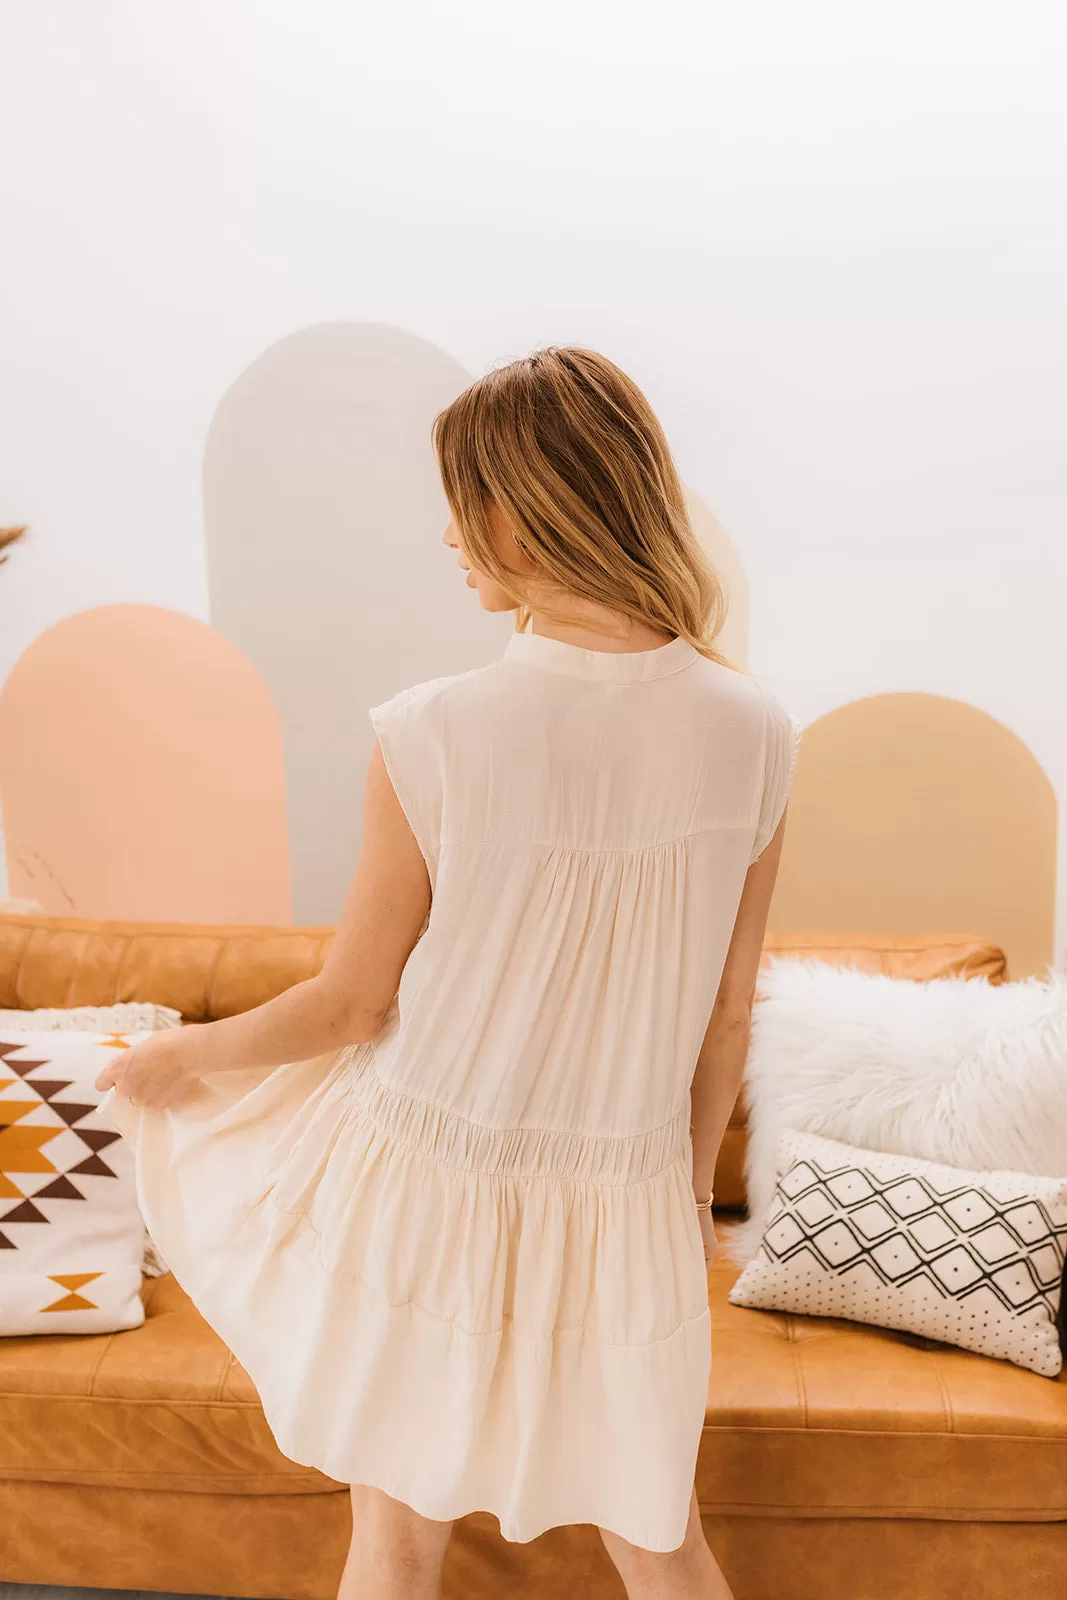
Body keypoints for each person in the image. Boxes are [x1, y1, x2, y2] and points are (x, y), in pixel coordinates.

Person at [98, 346, 801, 1600]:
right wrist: (685, 1200)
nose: (446, 536)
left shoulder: (428, 730)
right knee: (659, 1540)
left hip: (422, 1184)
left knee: (396, 1545)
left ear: (518, 514)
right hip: (626, 1197)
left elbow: (351, 1004)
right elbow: (724, 1014)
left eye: (459, 503)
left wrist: (184, 1053)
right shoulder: (754, 731)